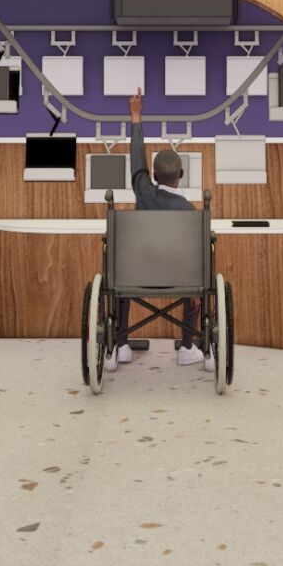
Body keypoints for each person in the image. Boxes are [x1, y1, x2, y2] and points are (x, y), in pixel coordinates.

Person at [106, 88, 214, 374]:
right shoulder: (192, 213)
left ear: (154, 176)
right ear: (181, 175)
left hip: (136, 278)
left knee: (119, 276)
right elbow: (199, 256)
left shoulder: (144, 192)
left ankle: (121, 345)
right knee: (200, 284)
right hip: (181, 281)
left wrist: (136, 117)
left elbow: (136, 161)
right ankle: (188, 347)